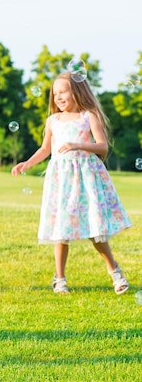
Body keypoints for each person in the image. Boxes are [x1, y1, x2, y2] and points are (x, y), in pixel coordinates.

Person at [11, 71, 132, 295]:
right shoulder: (53, 121)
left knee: (95, 229)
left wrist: (78, 145)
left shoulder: (89, 116)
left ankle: (115, 273)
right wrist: (27, 163)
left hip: (86, 179)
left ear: (76, 92)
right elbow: (45, 149)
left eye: (63, 91)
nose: (58, 97)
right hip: (62, 181)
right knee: (61, 230)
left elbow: (103, 147)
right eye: (55, 93)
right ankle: (59, 279)